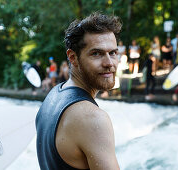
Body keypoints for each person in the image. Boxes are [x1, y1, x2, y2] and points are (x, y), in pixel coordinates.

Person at [36, 12, 121, 170]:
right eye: (96, 53)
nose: (109, 63)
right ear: (73, 57)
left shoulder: (53, 96)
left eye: (113, 53)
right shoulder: (92, 118)